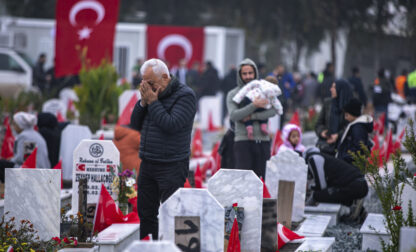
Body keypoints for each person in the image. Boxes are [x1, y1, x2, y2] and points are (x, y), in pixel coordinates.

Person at [130, 58, 197, 239]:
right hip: (148, 162)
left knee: (170, 214)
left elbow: (171, 125)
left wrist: (153, 102)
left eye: (150, 83)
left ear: (165, 77)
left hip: (172, 164)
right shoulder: (150, 95)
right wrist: (143, 103)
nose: (146, 87)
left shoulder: (185, 95)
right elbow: (134, 124)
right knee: (146, 214)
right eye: (143, 82)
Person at [226, 58, 277, 179]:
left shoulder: (264, 90)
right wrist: (254, 105)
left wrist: (253, 116)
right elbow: (234, 115)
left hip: (263, 140)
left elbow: (274, 110)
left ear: (255, 74)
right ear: (240, 75)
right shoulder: (233, 94)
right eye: (244, 73)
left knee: (264, 179)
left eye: (250, 73)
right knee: (244, 180)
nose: (248, 76)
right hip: (243, 141)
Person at [303, 147, 368, 208]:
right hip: (360, 184)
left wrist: (309, 187)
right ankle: (351, 210)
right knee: (331, 193)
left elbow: (321, 186)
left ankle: (347, 211)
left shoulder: (313, 158)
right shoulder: (326, 158)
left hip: (355, 185)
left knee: (318, 195)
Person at [0, 112, 50, 182]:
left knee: (1, 164)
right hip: (42, 169)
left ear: (20, 125)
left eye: (14, 124)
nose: (13, 127)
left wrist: (10, 160)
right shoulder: (35, 134)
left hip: (34, 171)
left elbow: (24, 158)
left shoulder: (25, 136)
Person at [315, 79, 352, 155]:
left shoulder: (350, 106)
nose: (331, 89)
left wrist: (338, 136)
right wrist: (322, 132)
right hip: (326, 145)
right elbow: (319, 124)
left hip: (343, 147)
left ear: (340, 90)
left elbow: (350, 126)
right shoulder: (328, 103)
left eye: (334, 87)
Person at [336, 98, 373, 164]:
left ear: (353, 113)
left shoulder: (357, 128)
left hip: (352, 165)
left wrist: (345, 157)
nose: (345, 118)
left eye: (346, 115)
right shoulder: (355, 126)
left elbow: (359, 148)